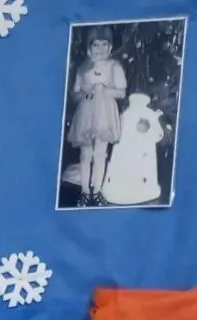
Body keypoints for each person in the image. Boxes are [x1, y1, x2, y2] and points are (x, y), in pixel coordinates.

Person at [66, 28, 126, 205]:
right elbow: (75, 95)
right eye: (95, 45)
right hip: (86, 115)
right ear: (88, 48)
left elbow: (122, 92)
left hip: (105, 114)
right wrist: (84, 92)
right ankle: (85, 192)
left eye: (104, 44)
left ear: (110, 47)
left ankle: (97, 190)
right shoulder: (83, 68)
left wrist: (104, 89)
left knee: (100, 153)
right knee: (85, 154)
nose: (100, 49)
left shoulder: (114, 66)